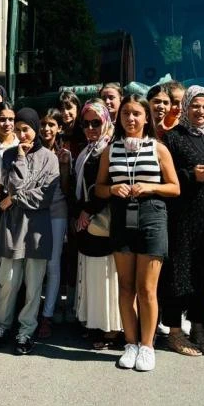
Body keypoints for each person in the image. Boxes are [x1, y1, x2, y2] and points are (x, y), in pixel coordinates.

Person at [95, 95, 179, 372]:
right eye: (126, 114)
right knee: (126, 286)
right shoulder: (110, 149)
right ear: (119, 118)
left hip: (152, 217)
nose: (131, 119)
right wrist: (111, 190)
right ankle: (130, 343)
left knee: (146, 288)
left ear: (147, 118)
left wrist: (150, 186)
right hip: (121, 219)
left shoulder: (159, 148)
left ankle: (147, 345)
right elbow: (99, 188)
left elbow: (174, 187)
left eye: (136, 114)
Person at [161, 86, 204, 356]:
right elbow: (166, 175)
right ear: (185, 107)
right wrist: (191, 176)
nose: (200, 112)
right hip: (182, 218)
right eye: (195, 106)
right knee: (178, 274)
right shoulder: (173, 138)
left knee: (201, 274)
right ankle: (175, 332)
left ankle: (198, 326)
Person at [0, 108, 60, 355]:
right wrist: (19, 159)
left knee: (33, 285)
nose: (21, 134)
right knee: (8, 281)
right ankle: (2, 326)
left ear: (36, 129)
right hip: (11, 228)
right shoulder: (9, 156)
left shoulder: (49, 158)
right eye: (18, 129)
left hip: (37, 231)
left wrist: (14, 199)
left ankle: (26, 331)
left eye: (26, 129)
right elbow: (8, 187)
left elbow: (45, 196)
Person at [72, 100, 121, 348]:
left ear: (107, 122)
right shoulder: (87, 150)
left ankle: (110, 329)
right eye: (86, 123)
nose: (91, 128)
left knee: (105, 276)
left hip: (102, 220)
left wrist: (88, 211)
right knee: (91, 273)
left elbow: (107, 187)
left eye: (96, 122)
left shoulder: (109, 149)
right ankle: (93, 323)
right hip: (86, 223)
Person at [37, 108, 72, 337]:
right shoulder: (32, 150)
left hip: (58, 212)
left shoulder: (65, 153)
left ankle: (47, 316)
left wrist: (64, 167)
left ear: (59, 127)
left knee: (53, 265)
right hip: (34, 213)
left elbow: (68, 190)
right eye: (43, 124)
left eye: (52, 124)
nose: (47, 129)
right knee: (34, 266)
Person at [57, 90, 82, 154]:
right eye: (62, 109)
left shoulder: (84, 130)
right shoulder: (56, 131)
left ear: (78, 109)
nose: (65, 112)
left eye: (69, 108)